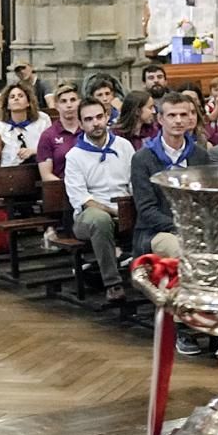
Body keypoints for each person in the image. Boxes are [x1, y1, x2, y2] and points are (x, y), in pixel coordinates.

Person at [63, 97, 134, 302]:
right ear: (81, 124)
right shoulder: (75, 156)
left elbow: (134, 183)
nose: (96, 123)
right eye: (89, 119)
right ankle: (113, 283)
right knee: (100, 220)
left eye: (99, 117)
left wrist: (130, 208)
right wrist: (115, 212)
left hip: (125, 207)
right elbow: (83, 199)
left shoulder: (124, 146)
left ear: (106, 118)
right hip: (90, 216)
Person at [130, 93, 206, 258]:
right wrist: (182, 227)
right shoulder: (143, 159)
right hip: (155, 232)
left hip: (197, 230)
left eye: (183, 115)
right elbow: (146, 210)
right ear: (160, 119)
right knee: (180, 250)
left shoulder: (200, 155)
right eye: (172, 115)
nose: (178, 120)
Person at [37, 83, 85, 180]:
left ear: (79, 103)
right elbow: (46, 175)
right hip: (61, 187)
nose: (69, 105)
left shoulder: (88, 130)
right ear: (56, 106)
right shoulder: (48, 135)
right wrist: (72, 187)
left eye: (73, 100)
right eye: (63, 101)